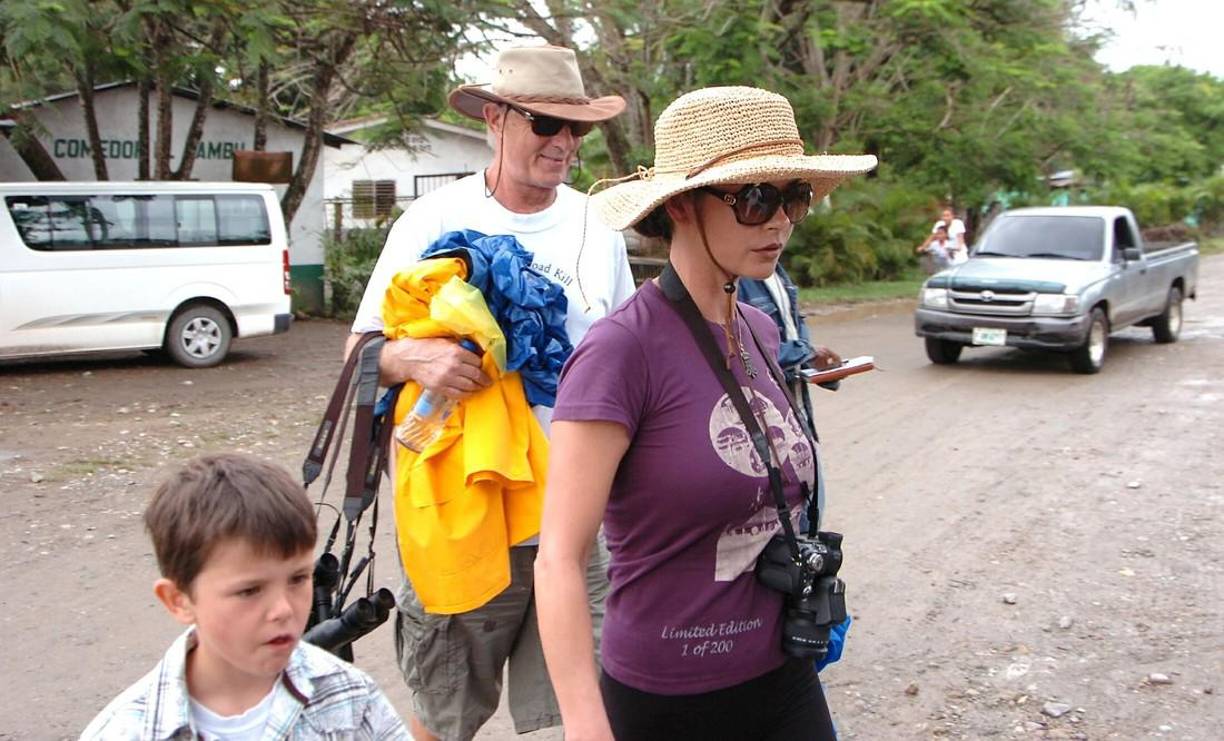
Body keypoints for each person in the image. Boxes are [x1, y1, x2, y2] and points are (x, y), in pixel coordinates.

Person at [535, 86, 875, 740]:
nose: (780, 223)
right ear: (684, 206)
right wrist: (583, 722)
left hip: (782, 670)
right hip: (666, 697)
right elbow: (558, 558)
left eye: (793, 198)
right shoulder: (619, 353)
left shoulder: (760, 330)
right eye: (755, 200)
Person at [346, 45, 636, 741]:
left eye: (577, 130)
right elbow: (359, 352)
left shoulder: (599, 225)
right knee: (445, 708)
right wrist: (416, 355)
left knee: (583, 704)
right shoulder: (427, 221)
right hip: (466, 508)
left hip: (571, 513)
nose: (564, 143)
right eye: (545, 124)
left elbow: (628, 356)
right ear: (496, 120)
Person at [80, 453, 408, 740]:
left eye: (298, 578)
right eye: (249, 590)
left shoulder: (347, 695)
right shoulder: (125, 730)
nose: (283, 610)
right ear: (178, 600)